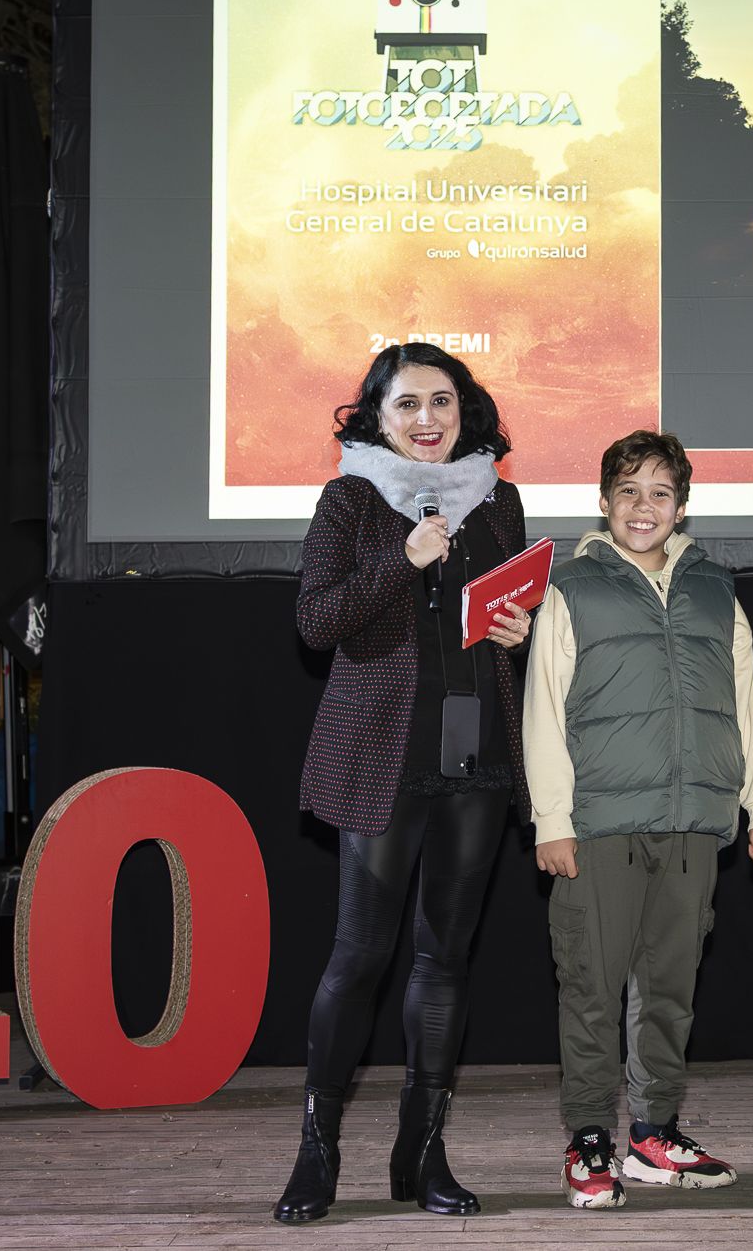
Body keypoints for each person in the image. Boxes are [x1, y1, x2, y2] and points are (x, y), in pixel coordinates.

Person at [273, 342, 534, 1223]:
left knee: (445, 958)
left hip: (476, 751)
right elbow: (316, 620)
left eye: (444, 404)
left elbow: (501, 606)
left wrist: (513, 629)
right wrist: (406, 559)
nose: (429, 420)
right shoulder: (351, 498)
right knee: (360, 955)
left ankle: (422, 1150)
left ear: (468, 413)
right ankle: (318, 1151)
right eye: (408, 405)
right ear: (376, 417)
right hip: (381, 753)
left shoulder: (497, 499)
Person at [523, 430, 753, 1211]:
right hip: (598, 823)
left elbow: (745, 703)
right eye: (629, 491)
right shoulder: (572, 587)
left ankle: (653, 1130)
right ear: (605, 502)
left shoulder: (715, 591)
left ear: (682, 506)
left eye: (661, 493)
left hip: (692, 819)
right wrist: (550, 820)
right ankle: (589, 1138)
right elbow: (542, 711)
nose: (645, 506)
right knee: (593, 986)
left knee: (670, 987)